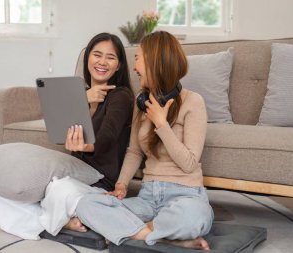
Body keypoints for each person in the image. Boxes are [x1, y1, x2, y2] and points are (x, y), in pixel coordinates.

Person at [75, 31, 214, 250]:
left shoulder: (193, 102)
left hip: (185, 195)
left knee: (195, 217)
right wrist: (121, 185)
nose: (134, 66)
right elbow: (134, 152)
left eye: (138, 58)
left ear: (155, 63)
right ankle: (160, 235)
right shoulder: (142, 103)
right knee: (85, 204)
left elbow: (189, 163)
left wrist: (161, 124)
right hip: (148, 198)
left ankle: (135, 230)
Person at [42, 32, 134, 234]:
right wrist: (84, 98)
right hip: (73, 174)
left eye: (110, 57)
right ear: (88, 58)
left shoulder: (122, 96)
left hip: (99, 180)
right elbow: (55, 121)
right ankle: (60, 218)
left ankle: (51, 218)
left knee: (57, 190)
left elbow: (108, 136)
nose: (102, 62)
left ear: (118, 65)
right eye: (97, 55)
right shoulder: (79, 93)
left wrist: (85, 146)